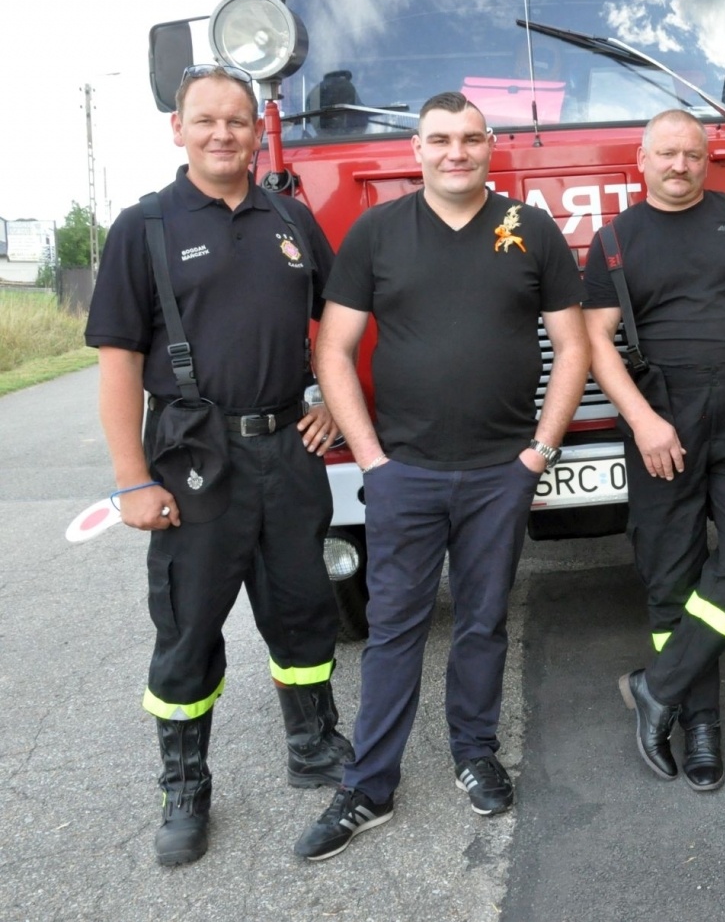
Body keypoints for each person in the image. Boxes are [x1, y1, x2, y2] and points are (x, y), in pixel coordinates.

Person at [294, 92, 590, 859]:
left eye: (469, 138)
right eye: (439, 140)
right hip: (406, 474)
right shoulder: (378, 232)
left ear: (490, 145)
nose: (455, 151)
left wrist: (540, 451)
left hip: (501, 471)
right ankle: (370, 785)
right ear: (416, 151)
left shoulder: (530, 228)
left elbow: (574, 344)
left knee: (485, 620)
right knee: (394, 629)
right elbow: (334, 349)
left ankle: (475, 752)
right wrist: (372, 462)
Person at [85, 63, 350, 867]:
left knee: (303, 609)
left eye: (237, 120)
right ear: (178, 128)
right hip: (194, 457)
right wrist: (133, 478)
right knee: (190, 626)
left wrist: (333, 404)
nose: (223, 133)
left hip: (287, 451)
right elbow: (119, 364)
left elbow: (340, 321)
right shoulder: (147, 225)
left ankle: (312, 745)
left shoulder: (292, 218)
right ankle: (185, 786)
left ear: (254, 128)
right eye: (206, 120)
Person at [585, 108, 725, 791]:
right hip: (663, 419)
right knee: (670, 577)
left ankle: (657, 687)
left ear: (706, 157)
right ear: (642, 158)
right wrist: (643, 421)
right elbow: (595, 339)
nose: (679, 164)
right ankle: (698, 721)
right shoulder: (615, 239)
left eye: (691, 153)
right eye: (667, 153)